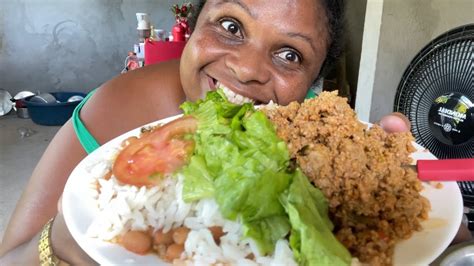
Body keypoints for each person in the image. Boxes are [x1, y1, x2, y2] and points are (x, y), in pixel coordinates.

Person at [1, 0, 469, 264]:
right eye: (230, 26)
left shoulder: (307, 144)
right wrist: (59, 244)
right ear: (192, 26)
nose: (246, 69)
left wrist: (446, 239)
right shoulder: (113, 109)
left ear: (314, 85)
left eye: (289, 55)